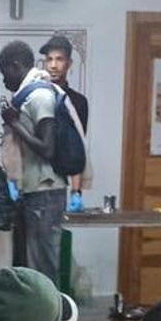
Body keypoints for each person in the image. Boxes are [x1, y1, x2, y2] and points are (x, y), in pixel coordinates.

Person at [0, 40, 67, 284]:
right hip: (33, 192)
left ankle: (50, 310)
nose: (4, 80)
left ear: (16, 66)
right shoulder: (27, 96)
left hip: (44, 194)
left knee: (42, 268)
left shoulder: (39, 96)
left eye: (5, 73)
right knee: (29, 267)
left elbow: (47, 148)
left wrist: (15, 124)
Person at [41, 34, 94, 201]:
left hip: (60, 180)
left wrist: (76, 192)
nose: (53, 65)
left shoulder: (78, 102)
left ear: (69, 63)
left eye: (59, 59)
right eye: (49, 59)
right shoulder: (36, 95)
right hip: (35, 180)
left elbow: (76, 147)